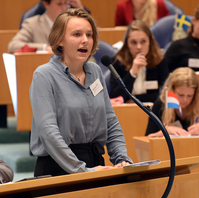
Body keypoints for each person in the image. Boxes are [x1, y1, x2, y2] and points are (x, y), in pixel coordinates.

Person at [30, 8, 133, 177]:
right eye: (77, 34)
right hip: (58, 168)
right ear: (59, 40)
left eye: (89, 35)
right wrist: (82, 170)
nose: (85, 40)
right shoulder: (44, 75)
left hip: (95, 164)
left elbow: (110, 121)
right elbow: (49, 133)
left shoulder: (95, 71)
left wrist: (122, 159)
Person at [145, 67, 199, 137]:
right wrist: (165, 131)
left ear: (195, 94)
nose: (185, 100)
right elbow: (147, 137)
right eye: (180, 95)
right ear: (172, 91)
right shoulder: (161, 103)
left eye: (189, 96)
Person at [109, 20, 169, 102]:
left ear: (150, 42)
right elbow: (116, 97)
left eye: (143, 41)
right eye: (133, 42)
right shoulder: (117, 62)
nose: (139, 47)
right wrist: (132, 73)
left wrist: (135, 99)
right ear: (127, 44)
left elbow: (165, 93)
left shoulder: (159, 60)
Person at [8, 0, 87, 53]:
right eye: (59, 4)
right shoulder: (32, 24)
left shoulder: (73, 23)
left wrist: (81, 9)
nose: (64, 8)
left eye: (66, 3)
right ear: (46, 4)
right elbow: (13, 45)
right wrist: (44, 47)